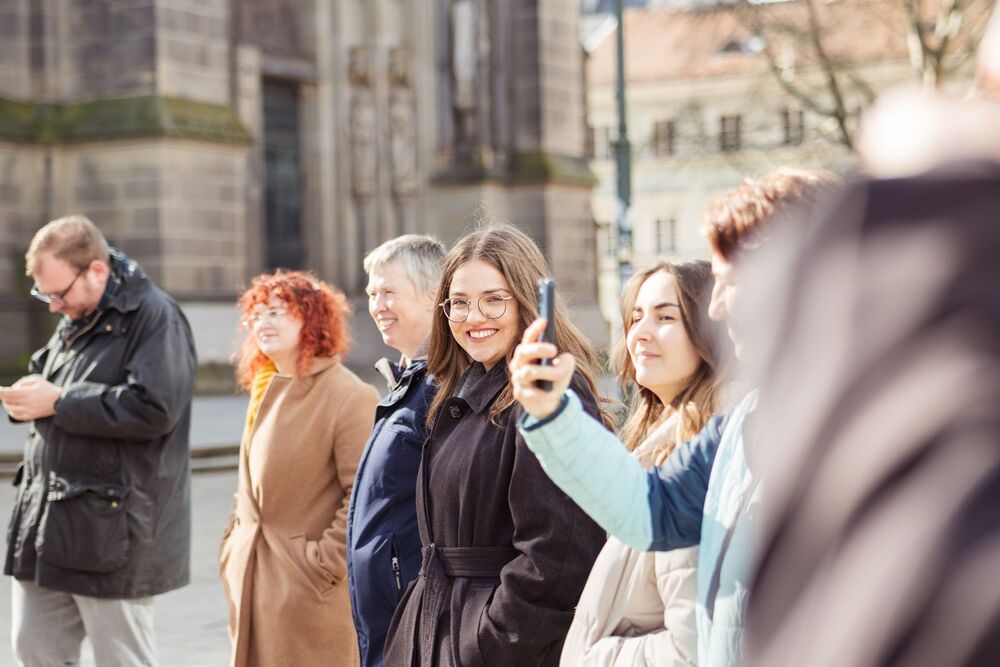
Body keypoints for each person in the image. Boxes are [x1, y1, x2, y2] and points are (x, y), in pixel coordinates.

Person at [510, 169, 840, 667]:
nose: (720, 307)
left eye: (732, 284)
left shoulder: (874, 415)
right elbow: (650, 512)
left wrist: (593, 657)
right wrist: (552, 413)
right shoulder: (747, 423)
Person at [383, 224, 609, 666]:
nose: (473, 317)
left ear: (527, 303)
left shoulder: (547, 391)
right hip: (439, 629)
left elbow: (559, 554)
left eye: (494, 300)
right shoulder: (461, 390)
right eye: (460, 303)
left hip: (491, 646)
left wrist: (487, 643)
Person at [0, 215, 196, 666]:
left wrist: (61, 401)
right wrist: (33, 395)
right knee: (35, 650)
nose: (51, 306)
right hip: (47, 525)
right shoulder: (77, 312)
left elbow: (155, 408)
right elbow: (53, 382)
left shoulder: (156, 316)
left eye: (58, 293)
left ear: (97, 271)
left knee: (121, 659)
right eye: (42, 294)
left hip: (113, 532)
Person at [560, 260, 728, 666]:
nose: (641, 333)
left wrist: (593, 658)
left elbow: (691, 650)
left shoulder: (697, 453)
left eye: (665, 316)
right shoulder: (658, 441)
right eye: (635, 318)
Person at [219, 270, 379, 667]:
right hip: (253, 585)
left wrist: (320, 566)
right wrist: (231, 546)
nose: (262, 323)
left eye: (277, 312)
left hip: (307, 598)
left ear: (311, 318)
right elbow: (250, 489)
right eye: (256, 315)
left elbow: (361, 498)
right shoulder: (267, 385)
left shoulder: (349, 395)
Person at [347, 235, 446, 667]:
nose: (377, 305)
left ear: (432, 297)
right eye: (372, 293)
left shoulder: (439, 389)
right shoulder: (408, 380)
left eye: (389, 292)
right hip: (387, 619)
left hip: (413, 619)